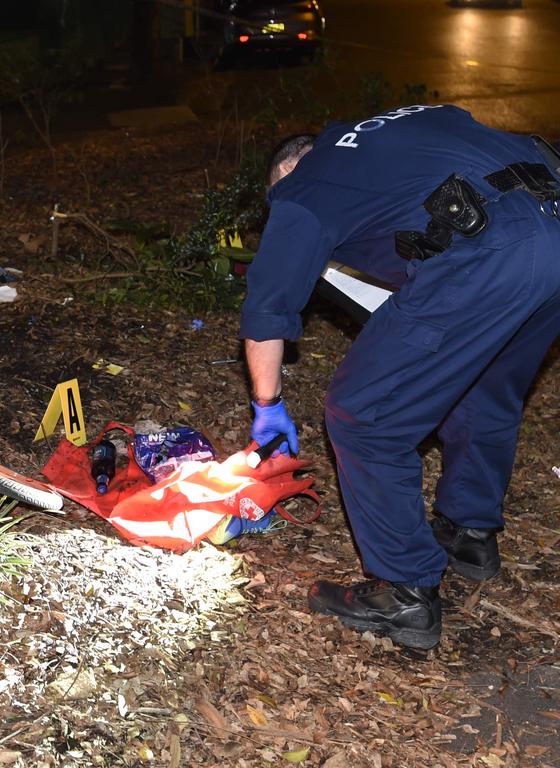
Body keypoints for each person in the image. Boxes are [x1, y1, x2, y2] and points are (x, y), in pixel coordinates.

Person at [240, 104, 560, 650]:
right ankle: (469, 534)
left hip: (491, 250)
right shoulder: (390, 135)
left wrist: (267, 405)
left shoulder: (304, 186)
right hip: (550, 224)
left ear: (288, 172)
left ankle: (406, 591)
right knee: (484, 385)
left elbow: (267, 311)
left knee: (364, 414)